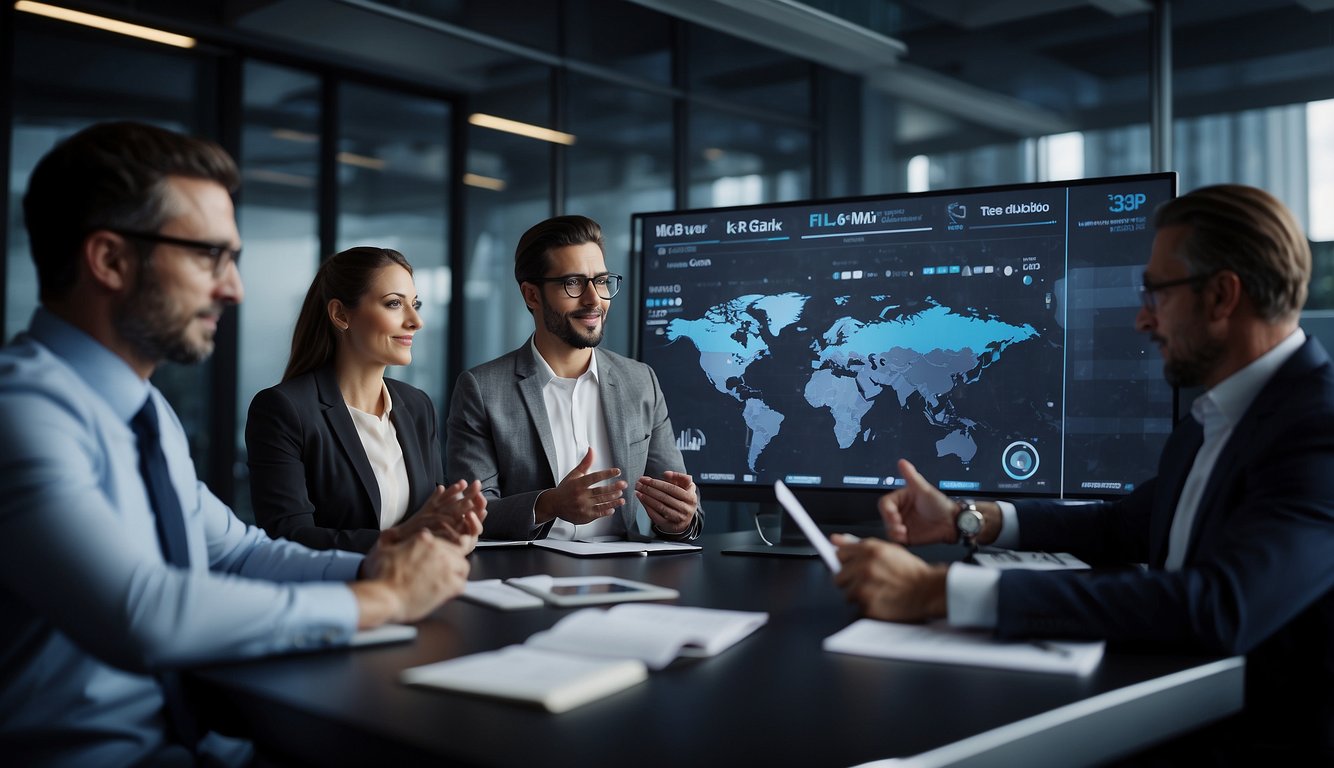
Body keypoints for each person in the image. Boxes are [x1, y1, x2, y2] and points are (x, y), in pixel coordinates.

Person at [0, 121, 474, 766]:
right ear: (109, 260)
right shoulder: (22, 413)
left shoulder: (146, 414)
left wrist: (377, 562)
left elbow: (239, 552)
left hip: (199, 740)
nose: (234, 289)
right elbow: (144, 613)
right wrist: (382, 598)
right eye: (207, 256)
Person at [833, 184, 1333, 763]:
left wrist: (934, 591)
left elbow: (1221, 605)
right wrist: (967, 520)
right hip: (1170, 710)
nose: (1144, 319)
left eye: (1156, 292)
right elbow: (1124, 525)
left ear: (1222, 296)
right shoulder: (1218, 413)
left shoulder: (1317, 430)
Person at [447, 215, 703, 541]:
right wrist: (549, 504)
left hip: (624, 572)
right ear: (532, 296)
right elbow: (472, 513)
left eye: (601, 280)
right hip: (526, 576)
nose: (594, 298)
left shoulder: (640, 382)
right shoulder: (482, 389)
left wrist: (678, 519)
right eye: (573, 283)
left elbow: (684, 510)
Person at [246, 246, 486, 553]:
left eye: (416, 304)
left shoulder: (417, 406)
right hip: (340, 594)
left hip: (421, 587)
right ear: (340, 314)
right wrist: (404, 536)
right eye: (394, 304)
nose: (416, 321)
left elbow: (432, 518)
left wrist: (455, 529)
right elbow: (289, 537)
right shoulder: (283, 410)